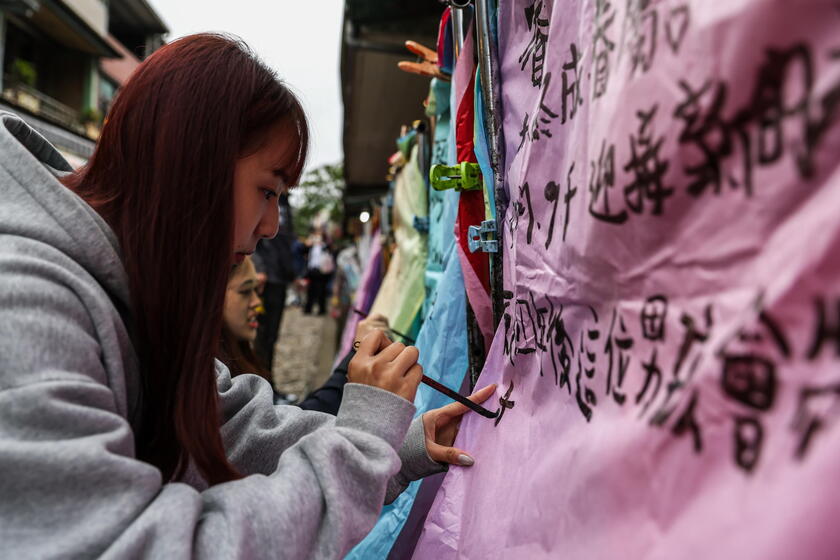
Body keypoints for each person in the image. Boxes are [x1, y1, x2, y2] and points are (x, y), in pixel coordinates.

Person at [0, 33, 495, 558]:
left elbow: (233, 428)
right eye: (267, 191)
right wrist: (360, 445)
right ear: (193, 165)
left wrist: (395, 443)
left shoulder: (129, 290)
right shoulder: (29, 306)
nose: (273, 227)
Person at [220, 255, 388, 414]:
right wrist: (356, 354)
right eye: (246, 291)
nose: (257, 303)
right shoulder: (217, 381)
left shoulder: (232, 364)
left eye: (256, 290)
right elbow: (292, 428)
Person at [251, 191, 296, 370]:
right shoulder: (266, 194)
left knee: (271, 335)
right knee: (262, 335)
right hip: (267, 278)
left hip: (280, 278)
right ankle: (262, 381)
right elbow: (254, 235)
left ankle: (269, 382)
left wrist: (292, 273)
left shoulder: (283, 202)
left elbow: (285, 243)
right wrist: (260, 268)